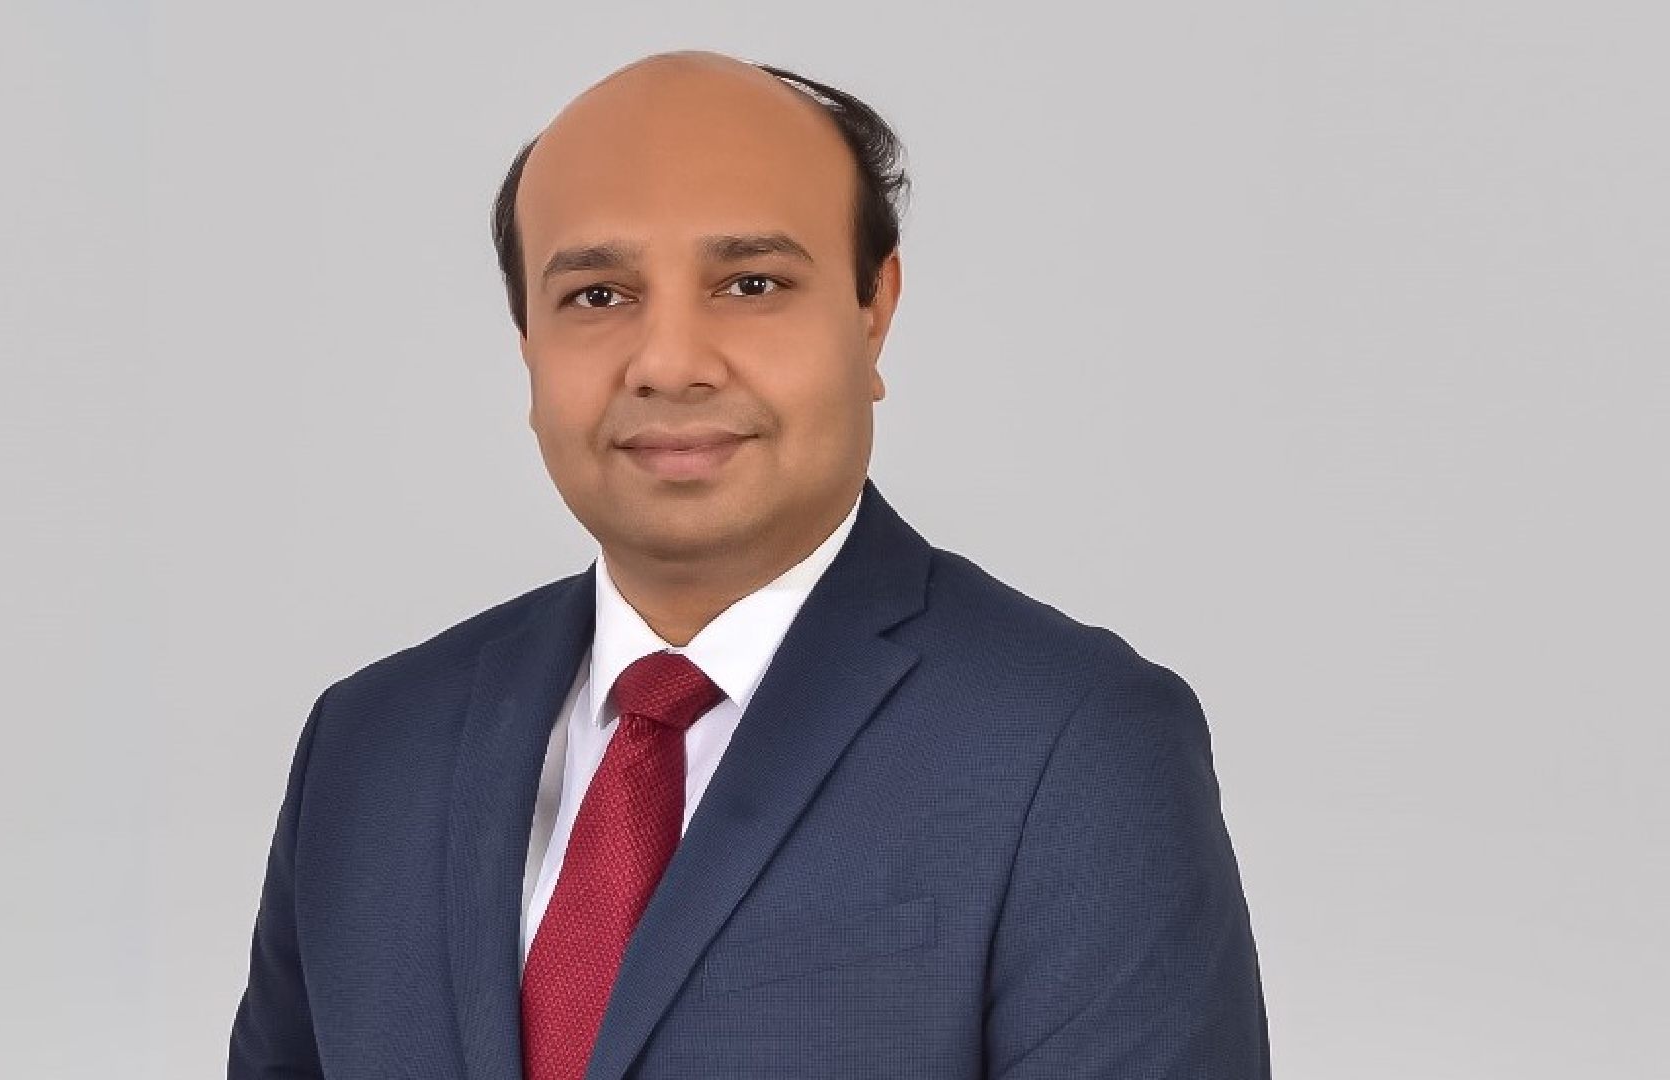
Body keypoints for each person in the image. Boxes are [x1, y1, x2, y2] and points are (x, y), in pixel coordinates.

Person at [228, 49, 1270, 1079]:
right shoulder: (370, 749)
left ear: (873, 314)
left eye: (751, 282)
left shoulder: (1075, 749)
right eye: (597, 295)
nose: (670, 363)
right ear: (527, 345)